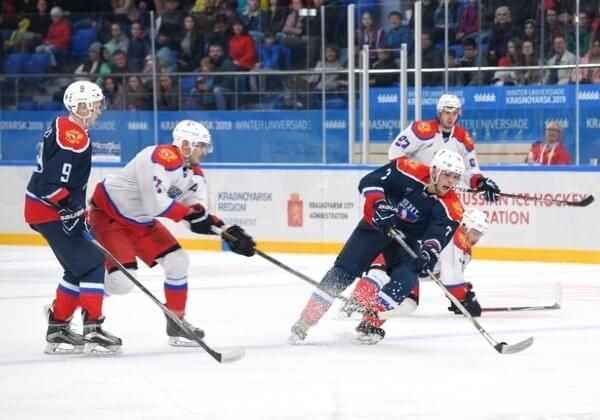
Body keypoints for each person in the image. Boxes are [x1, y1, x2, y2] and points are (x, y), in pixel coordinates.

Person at [87, 120, 256, 347]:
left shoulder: (194, 175)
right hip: (109, 217)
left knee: (178, 260)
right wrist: (191, 216)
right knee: (122, 282)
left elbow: (196, 215)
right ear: (185, 144)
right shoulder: (162, 156)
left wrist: (228, 232)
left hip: (141, 222)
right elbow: (157, 203)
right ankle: (82, 311)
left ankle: (177, 322)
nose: (205, 151)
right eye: (201, 146)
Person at [288, 149, 465, 344]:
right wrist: (380, 204)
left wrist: (428, 253)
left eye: (455, 177)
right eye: (447, 175)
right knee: (342, 273)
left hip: (404, 241)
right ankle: (305, 321)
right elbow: (369, 181)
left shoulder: (452, 207)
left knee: (406, 279)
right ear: (434, 171)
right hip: (374, 227)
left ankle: (369, 323)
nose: (450, 181)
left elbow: (438, 235)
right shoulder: (406, 169)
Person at [24, 80, 121, 355]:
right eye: (96, 105)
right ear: (80, 107)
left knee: (77, 268)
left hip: (44, 209)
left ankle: (58, 329)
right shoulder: (73, 138)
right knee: (92, 265)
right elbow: (50, 185)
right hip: (48, 210)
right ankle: (93, 330)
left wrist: (76, 209)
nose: (99, 110)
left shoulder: (63, 126)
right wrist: (68, 207)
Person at [341, 207, 488, 320]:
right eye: (474, 232)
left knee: (409, 305)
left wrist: (456, 298)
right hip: (395, 250)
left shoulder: (460, 246)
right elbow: (451, 280)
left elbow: (444, 276)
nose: (476, 239)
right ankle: (356, 302)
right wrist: (464, 298)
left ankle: (370, 318)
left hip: (409, 267)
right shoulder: (457, 238)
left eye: (479, 235)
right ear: (464, 225)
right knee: (380, 274)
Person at [389, 93, 501, 202]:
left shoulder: (463, 137)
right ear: (439, 112)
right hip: (412, 190)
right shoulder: (422, 129)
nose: (450, 117)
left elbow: (469, 169)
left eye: (454, 113)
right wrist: (422, 173)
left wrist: (480, 182)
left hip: (441, 195)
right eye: (447, 112)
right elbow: (395, 152)